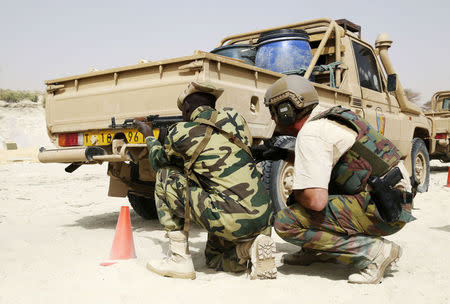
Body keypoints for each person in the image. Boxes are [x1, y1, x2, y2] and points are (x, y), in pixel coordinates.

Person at [263, 75, 415, 284]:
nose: (273, 118)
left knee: (287, 220)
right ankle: (315, 250)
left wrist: (298, 189)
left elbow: (316, 201)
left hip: (386, 210)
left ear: (287, 110)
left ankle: (373, 253)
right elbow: (336, 161)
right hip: (393, 198)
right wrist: (283, 155)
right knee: (306, 195)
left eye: (274, 111)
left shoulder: (310, 134)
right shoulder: (329, 117)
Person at [135, 81, 276, 280]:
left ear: (186, 108)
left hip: (230, 218)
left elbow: (158, 161)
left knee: (165, 175)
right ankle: (249, 249)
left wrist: (150, 136)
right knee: (213, 257)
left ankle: (179, 259)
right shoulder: (237, 120)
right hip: (263, 219)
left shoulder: (180, 132)